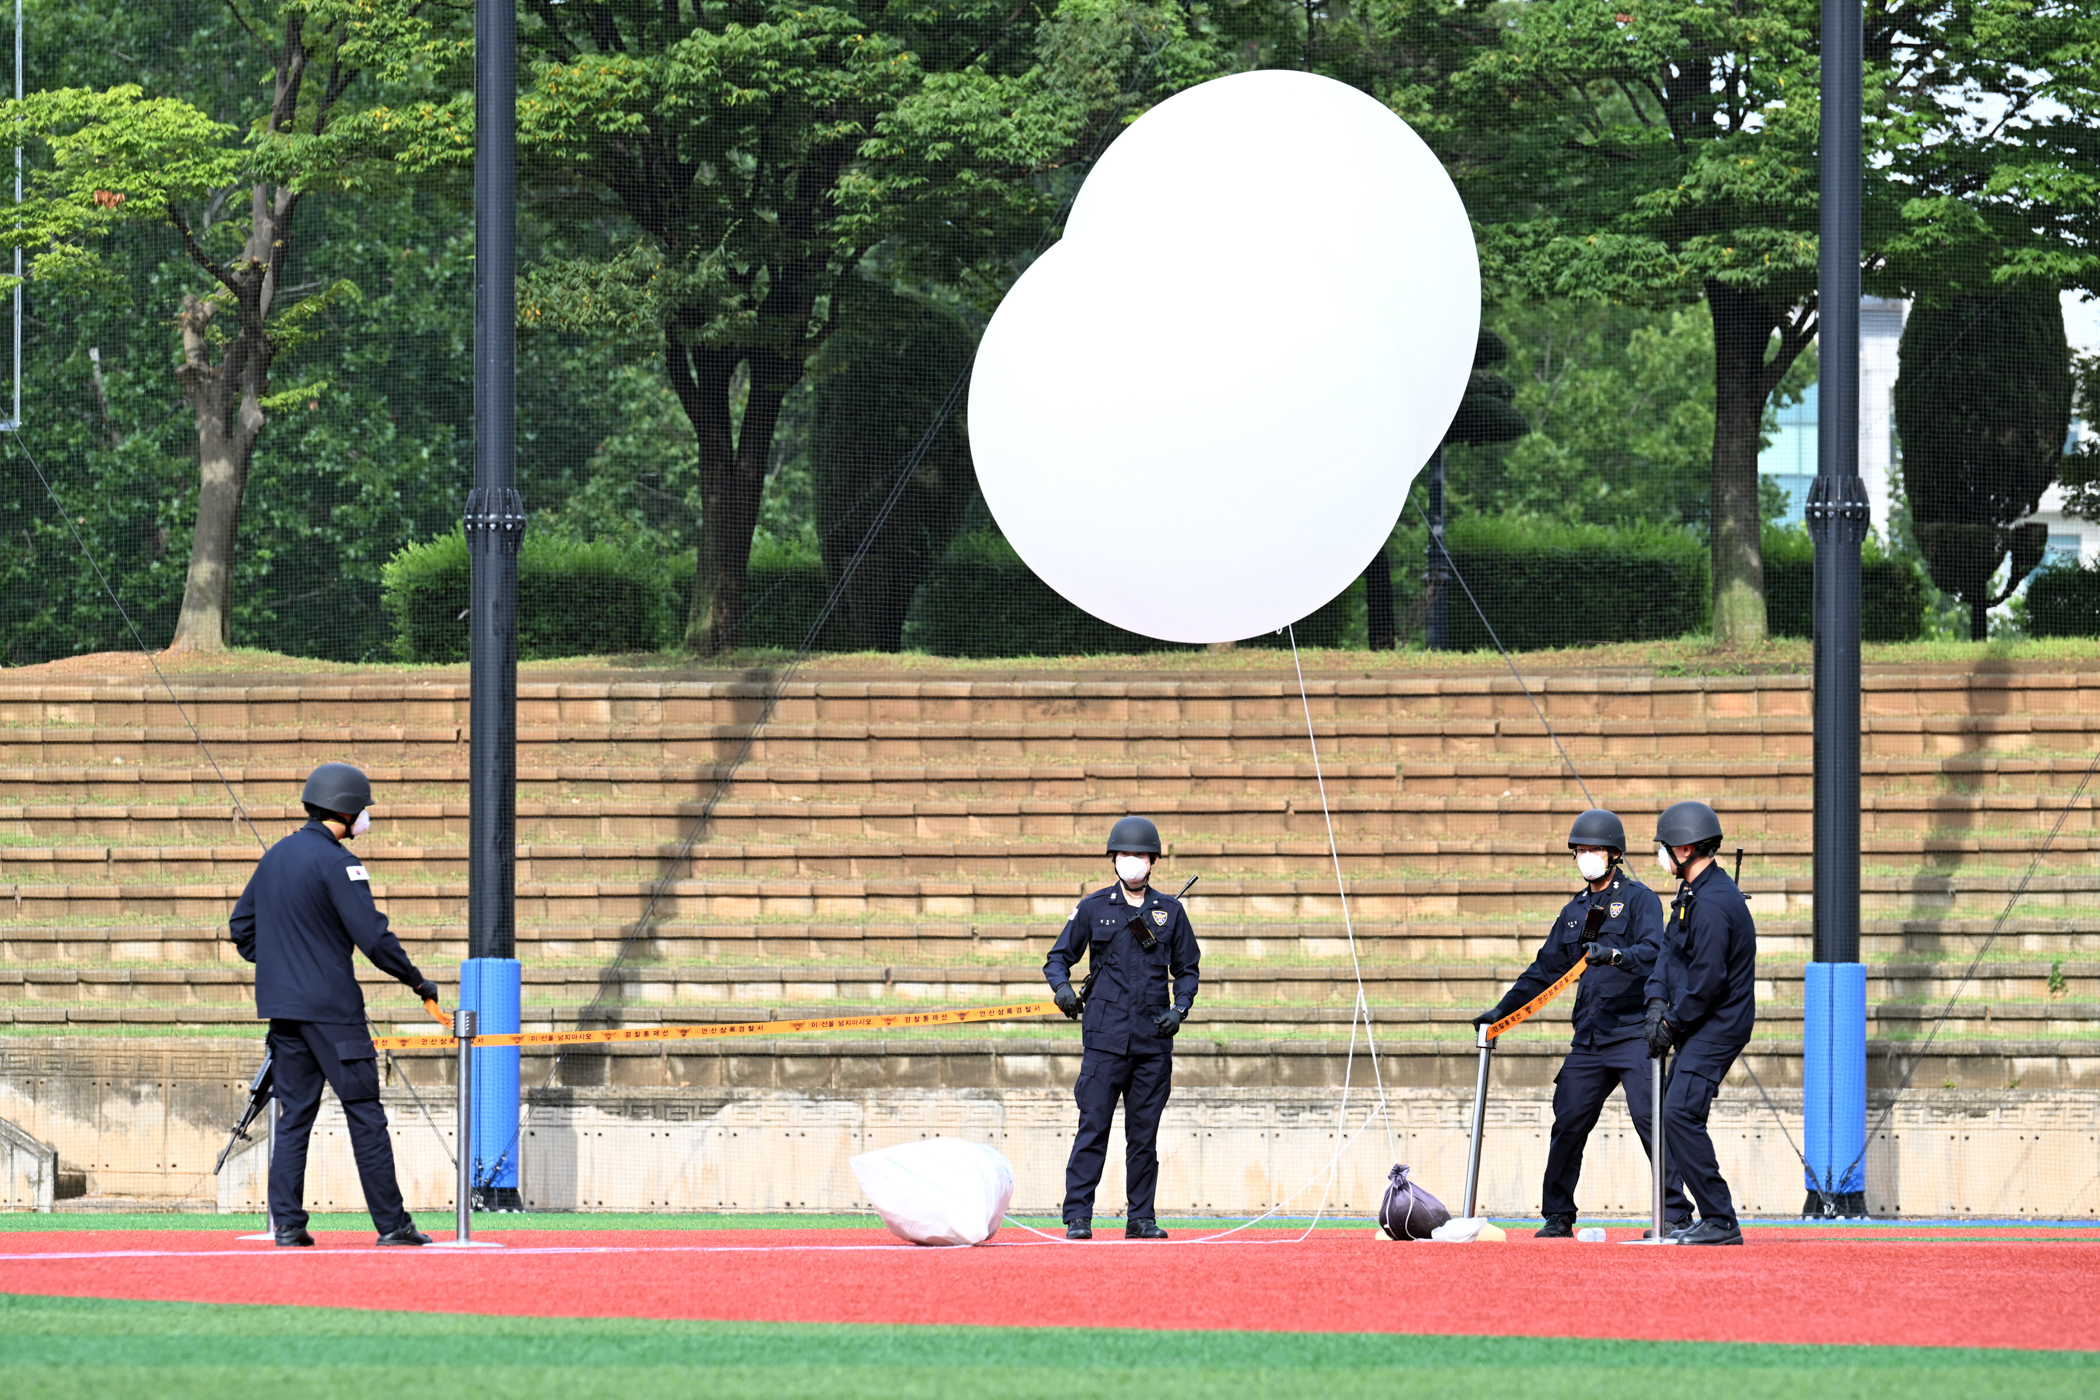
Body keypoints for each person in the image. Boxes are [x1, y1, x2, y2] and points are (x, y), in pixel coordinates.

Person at [230, 762, 447, 1248]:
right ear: (346, 810)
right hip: (334, 1013)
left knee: (295, 1117)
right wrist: (417, 981)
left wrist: (284, 965)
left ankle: (287, 1225)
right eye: (363, 809)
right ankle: (392, 1225)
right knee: (365, 1112)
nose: (365, 818)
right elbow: (372, 937)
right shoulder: (339, 863)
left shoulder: (275, 856)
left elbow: (241, 928)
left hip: (284, 1012)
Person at [1470, 809, 1688, 1237]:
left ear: (1614, 854)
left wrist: (1614, 955)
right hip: (1589, 1037)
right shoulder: (1574, 911)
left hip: (1633, 1032)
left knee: (1651, 1120)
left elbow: (1653, 950)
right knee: (1568, 1120)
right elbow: (1545, 969)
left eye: (1593, 850)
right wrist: (1501, 1012)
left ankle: (1676, 1214)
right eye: (1580, 851)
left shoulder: (1641, 899)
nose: (1586, 857)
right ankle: (1558, 1215)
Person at [1043, 815, 1201, 1240]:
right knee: (1092, 1127)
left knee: (1143, 1135)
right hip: (1104, 1039)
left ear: (1152, 861)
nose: (1132, 861)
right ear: (1115, 860)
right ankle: (1078, 1216)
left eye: (1140, 855)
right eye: (1124, 854)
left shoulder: (1170, 912)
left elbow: (1187, 969)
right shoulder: (1094, 908)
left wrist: (1180, 1009)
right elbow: (1057, 957)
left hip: (1153, 1040)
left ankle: (1141, 1218)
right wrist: (1062, 990)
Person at [1643, 800, 1757, 1246]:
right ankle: (1706, 1216)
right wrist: (1656, 1002)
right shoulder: (1692, 894)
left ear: (1685, 848)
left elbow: (1708, 980)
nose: (1662, 855)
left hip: (1718, 1023)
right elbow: (1670, 954)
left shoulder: (1713, 903)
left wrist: (1670, 1024)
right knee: (1676, 1112)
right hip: (1698, 1018)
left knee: (1679, 1113)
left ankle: (1721, 1220)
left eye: (1666, 847)